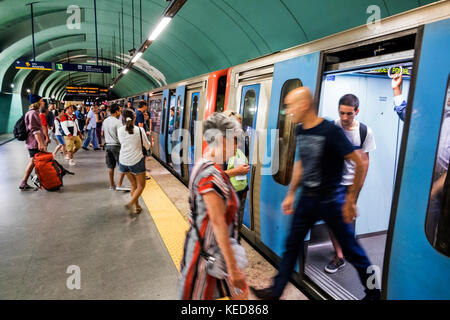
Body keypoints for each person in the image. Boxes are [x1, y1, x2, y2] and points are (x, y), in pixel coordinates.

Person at [250, 87, 381, 300]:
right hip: (308, 199)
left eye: (290, 106)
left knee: (352, 250)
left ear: (303, 105)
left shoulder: (330, 131)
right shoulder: (301, 130)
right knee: (292, 245)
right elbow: (303, 162)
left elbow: (358, 162)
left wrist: (350, 200)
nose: (288, 112)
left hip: (332, 199)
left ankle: (374, 293)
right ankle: (275, 292)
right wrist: (292, 192)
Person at [178, 112, 247, 300]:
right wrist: (233, 269)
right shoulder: (210, 174)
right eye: (234, 140)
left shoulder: (205, 165)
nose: (237, 145)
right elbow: (217, 224)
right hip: (206, 257)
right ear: (220, 140)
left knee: (241, 295)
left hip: (218, 252)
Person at [323, 94, 376, 274]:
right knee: (332, 220)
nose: (344, 118)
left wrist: (354, 195)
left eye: (349, 114)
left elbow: (365, 163)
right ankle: (339, 256)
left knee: (346, 220)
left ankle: (349, 254)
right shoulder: (332, 127)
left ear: (356, 111)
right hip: (333, 183)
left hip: (351, 183)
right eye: (341, 113)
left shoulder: (364, 132)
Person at [223, 111, 250, 240]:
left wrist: (245, 188)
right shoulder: (220, 147)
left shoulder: (243, 141)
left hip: (240, 191)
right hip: (226, 193)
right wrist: (236, 171)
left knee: (236, 229)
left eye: (240, 126)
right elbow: (214, 175)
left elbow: (245, 160)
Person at [118, 109, 150, 215]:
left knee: (133, 185)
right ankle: (131, 203)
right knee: (141, 186)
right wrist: (151, 143)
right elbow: (147, 146)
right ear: (134, 118)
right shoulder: (140, 130)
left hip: (123, 161)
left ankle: (137, 207)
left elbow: (122, 142)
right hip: (136, 161)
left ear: (122, 119)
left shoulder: (120, 130)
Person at [19, 94, 46, 190]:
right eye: (42, 101)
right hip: (34, 142)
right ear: (37, 102)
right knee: (33, 162)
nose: (44, 102)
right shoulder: (33, 113)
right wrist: (40, 143)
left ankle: (35, 179)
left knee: (35, 161)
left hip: (34, 142)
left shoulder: (34, 112)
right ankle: (24, 182)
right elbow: (35, 130)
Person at [102, 103, 128, 191]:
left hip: (107, 146)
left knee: (110, 166)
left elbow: (102, 133)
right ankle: (119, 184)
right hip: (116, 146)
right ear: (116, 111)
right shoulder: (118, 122)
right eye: (120, 110)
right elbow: (121, 135)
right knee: (123, 166)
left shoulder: (105, 121)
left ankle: (111, 185)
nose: (120, 112)